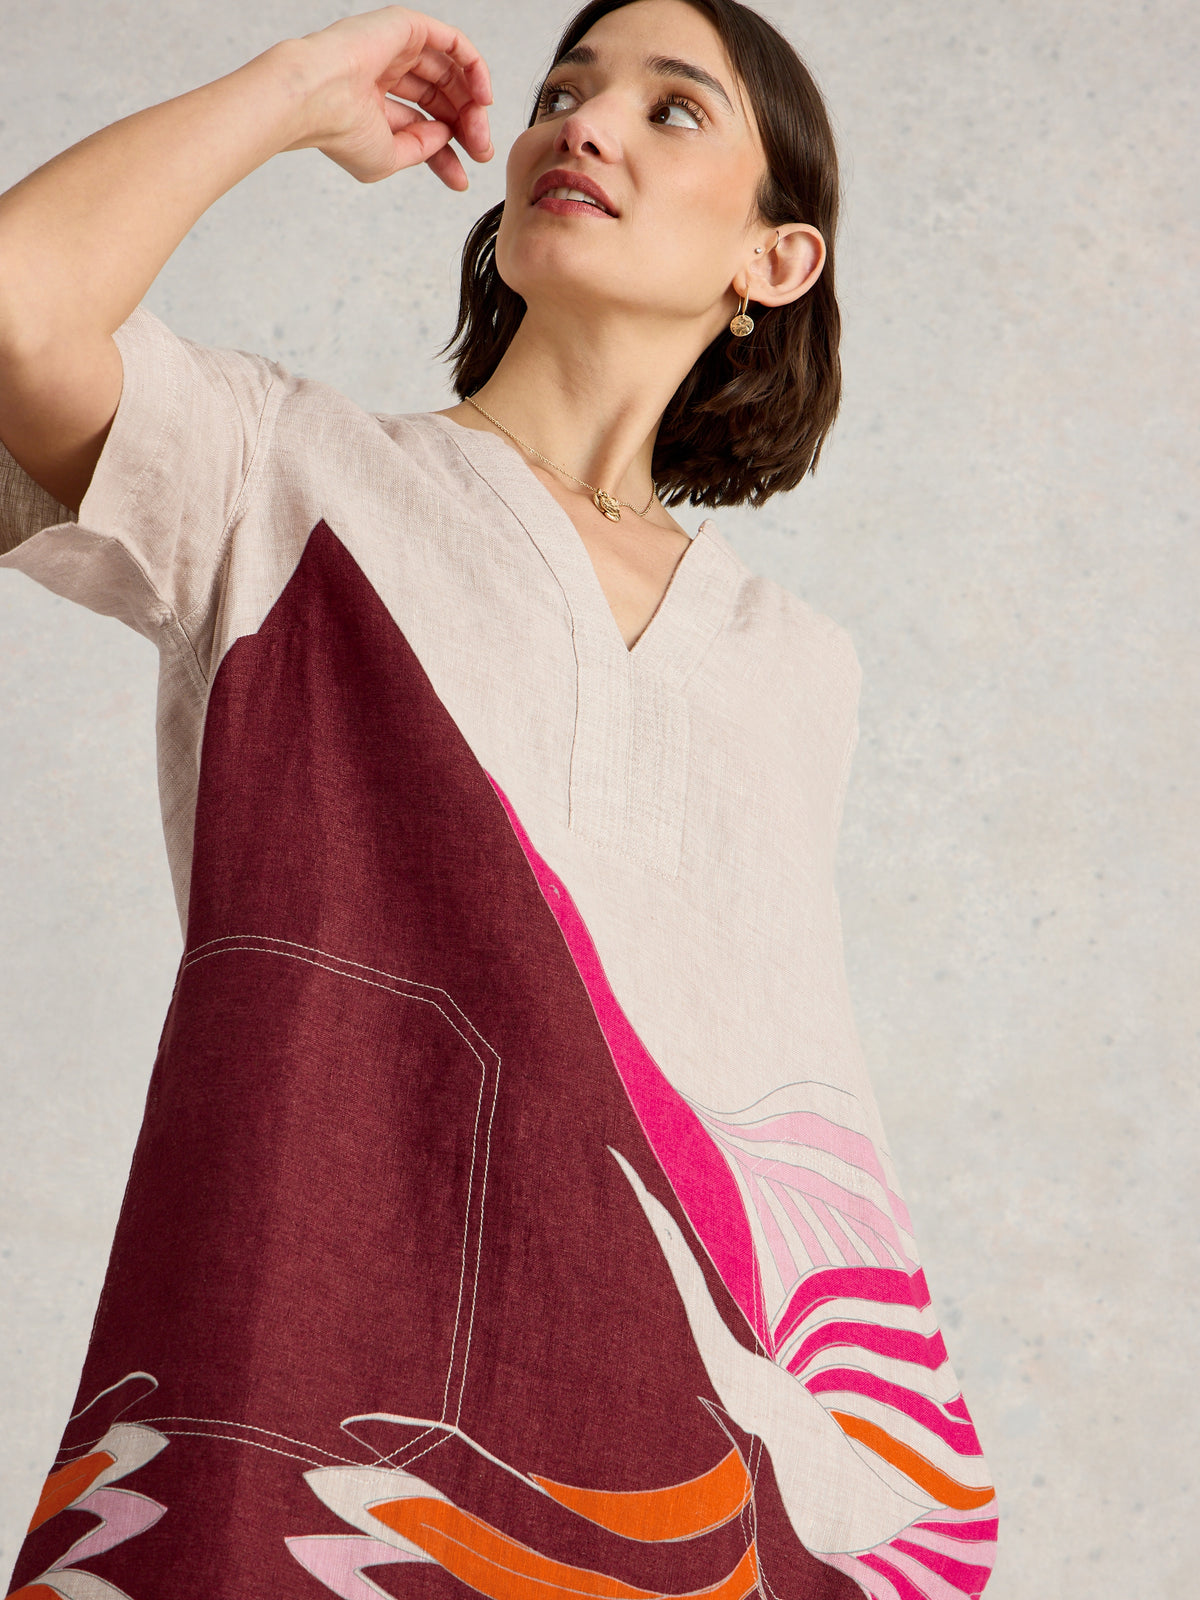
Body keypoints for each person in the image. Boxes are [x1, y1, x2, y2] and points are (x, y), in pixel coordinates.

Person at [0, 2, 997, 1596]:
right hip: (300, 1386)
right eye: (564, 92)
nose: (582, 123)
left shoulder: (795, 664)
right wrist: (293, 90)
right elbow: (15, 308)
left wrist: (877, 1479)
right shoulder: (277, 474)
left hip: (675, 1458)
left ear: (777, 260)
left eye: (673, 110)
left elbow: (784, 1080)